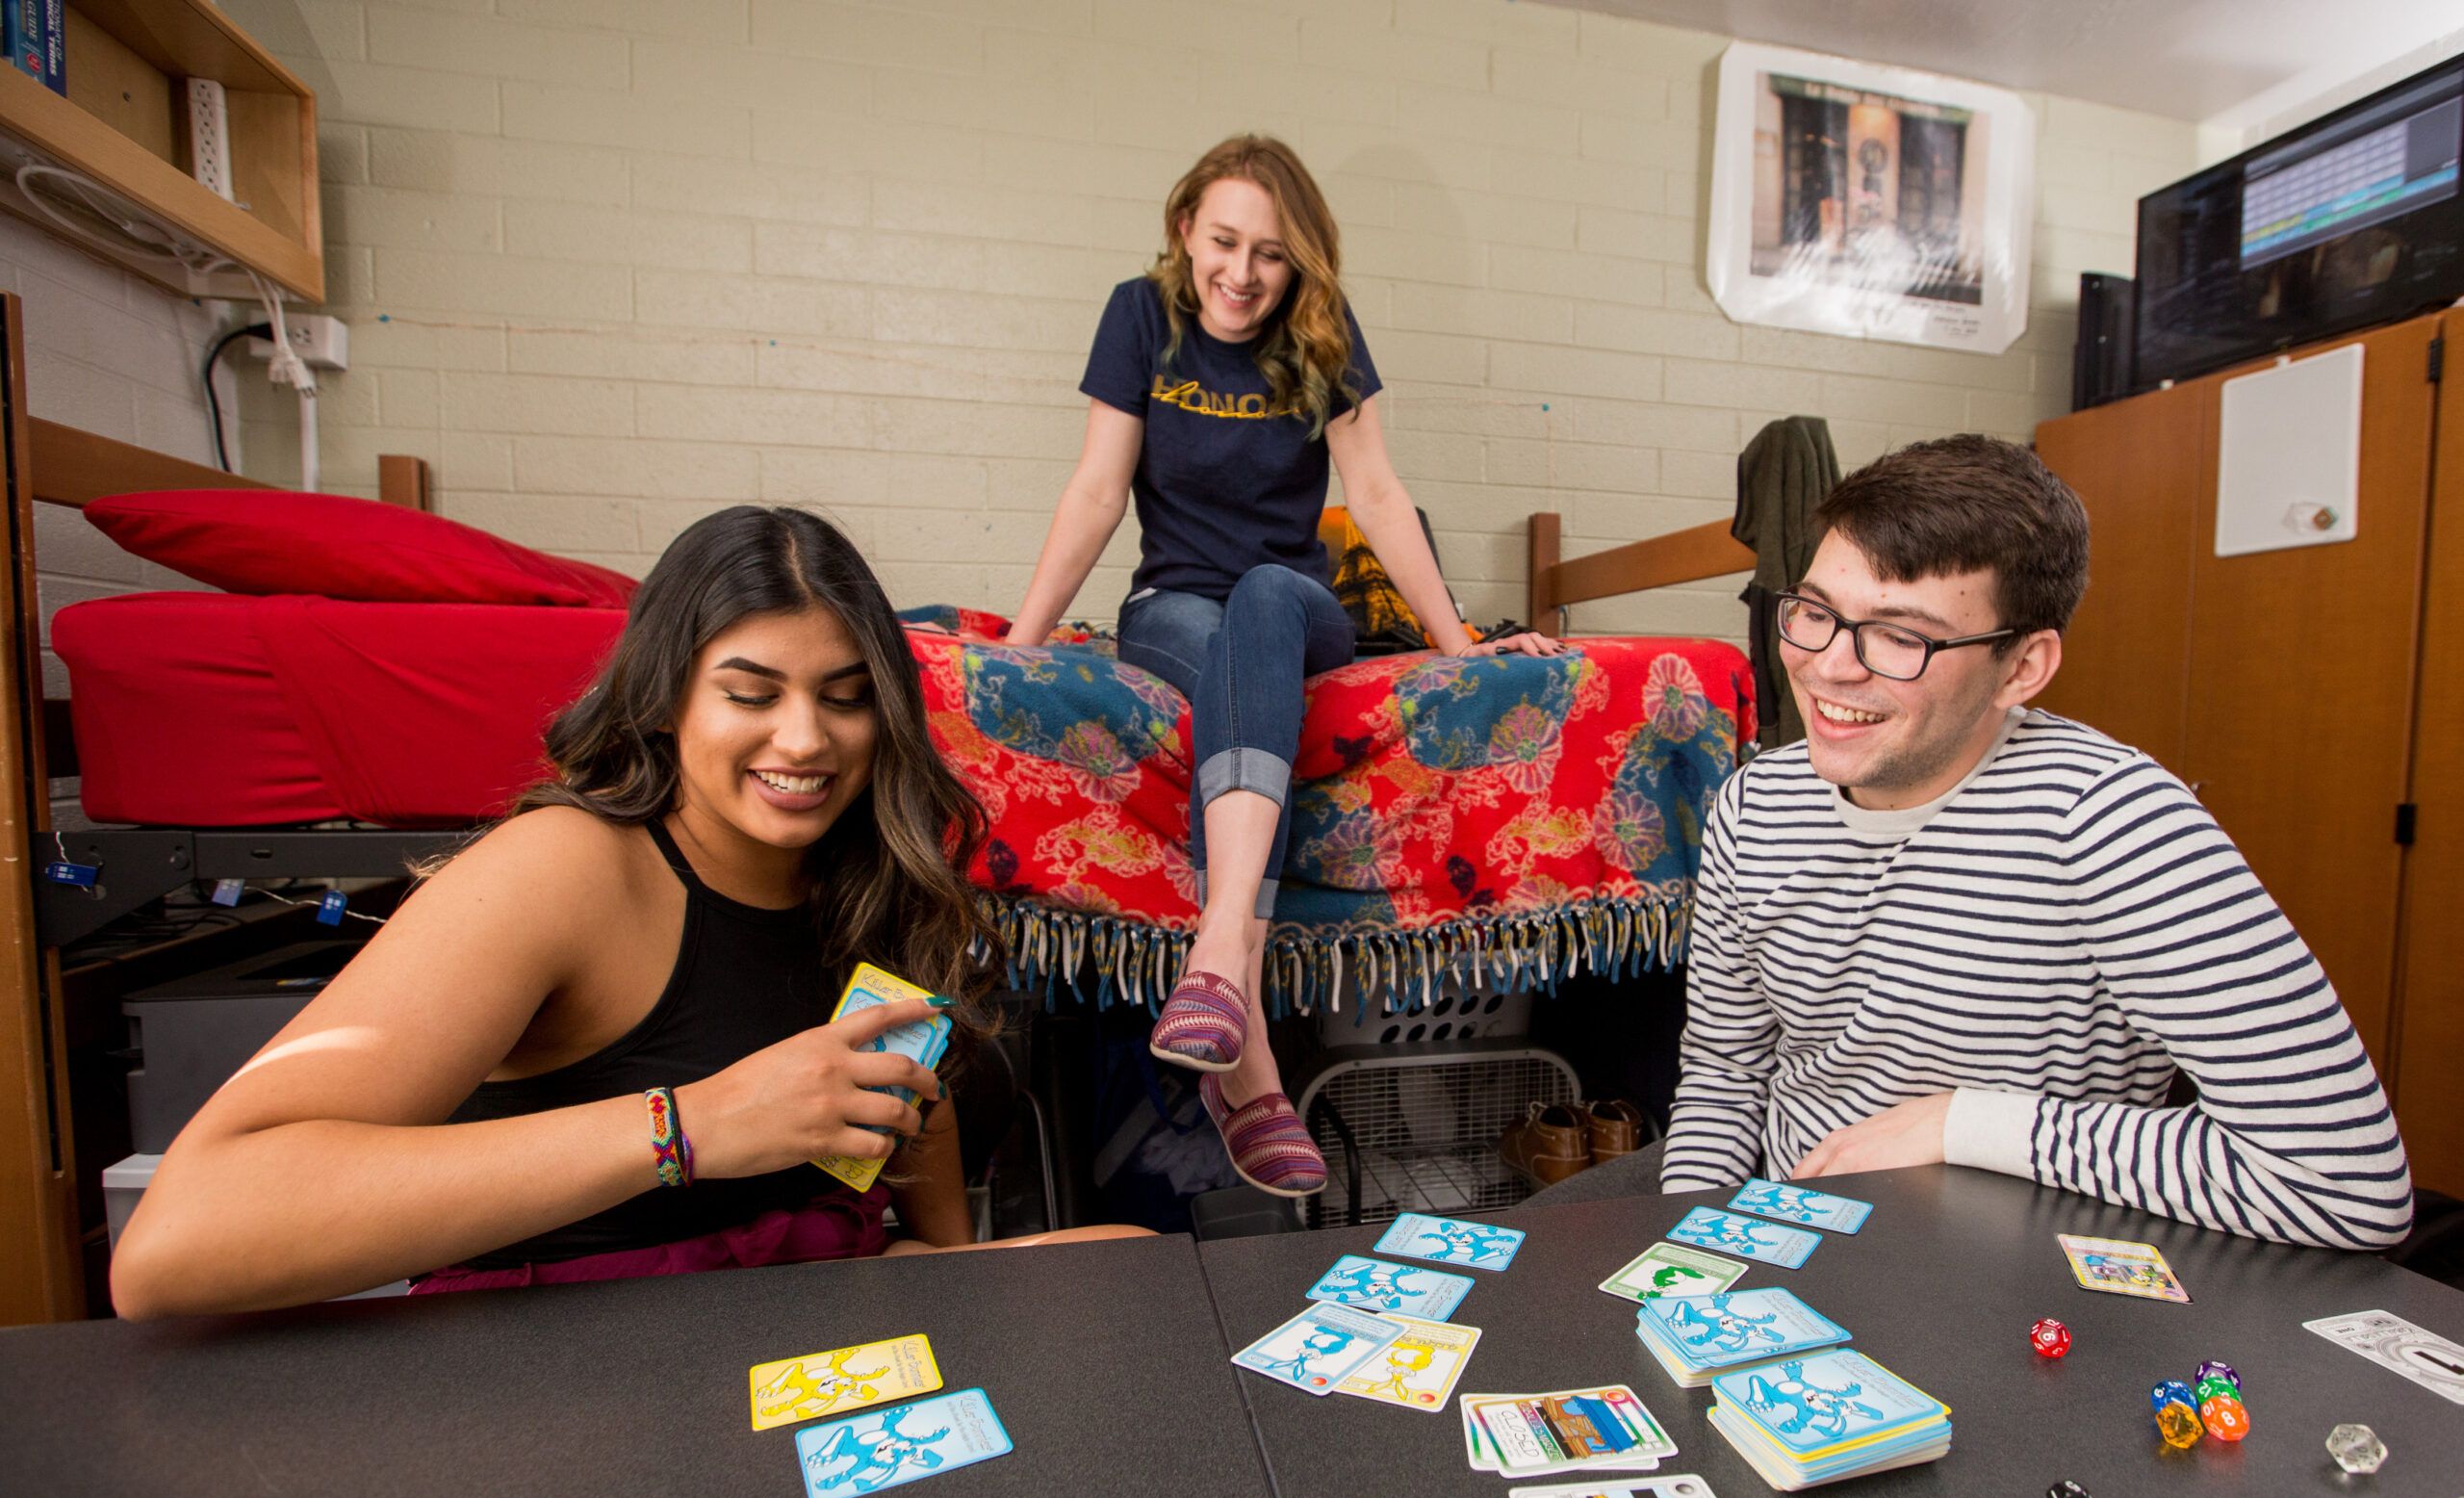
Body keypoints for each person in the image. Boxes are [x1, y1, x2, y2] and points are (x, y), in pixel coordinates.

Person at [111, 507, 1146, 1318]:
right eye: (750, 693)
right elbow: (172, 1248)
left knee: (1128, 1270)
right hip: (584, 1364)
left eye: (844, 696)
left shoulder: (864, 864)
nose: (807, 740)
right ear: (665, 698)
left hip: (800, 1318)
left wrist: (943, 1265)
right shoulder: (561, 868)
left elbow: (898, 1099)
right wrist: (688, 1127)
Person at [1528, 435, 2411, 1250]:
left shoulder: (2118, 823)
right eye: (1815, 611)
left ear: (2022, 668)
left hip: (2009, 1258)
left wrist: (1956, 1122)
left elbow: (2349, 1184)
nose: (1832, 666)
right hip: (1786, 1217)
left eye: (1902, 635)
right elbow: (1725, 1073)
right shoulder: (1754, 805)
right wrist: (1695, 1248)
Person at [1001, 133, 1563, 1198]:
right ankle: (1242, 1044)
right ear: (1184, 231)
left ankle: (1221, 964)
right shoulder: (1139, 316)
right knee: (1207, 636)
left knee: (1264, 593)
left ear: (1299, 262)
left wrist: (1461, 644)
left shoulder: (1323, 333)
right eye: (1223, 241)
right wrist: (1023, 644)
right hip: (1169, 608)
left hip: (1294, 610)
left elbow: (1380, 494)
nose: (1242, 273)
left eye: (1270, 253)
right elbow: (1094, 490)